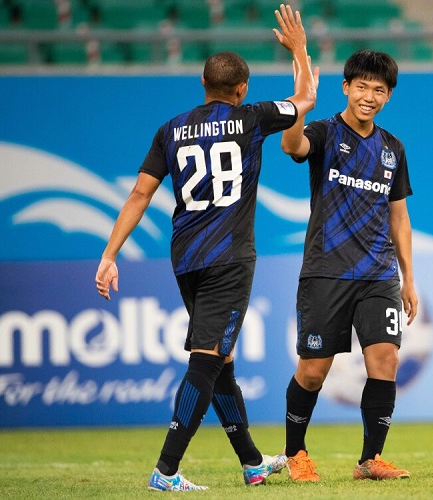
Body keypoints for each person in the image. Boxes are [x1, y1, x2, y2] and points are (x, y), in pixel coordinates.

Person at [94, 4, 317, 491]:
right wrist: (299, 49)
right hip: (229, 258)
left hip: (186, 258)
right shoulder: (251, 118)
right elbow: (305, 98)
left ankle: (252, 463)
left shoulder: (170, 129)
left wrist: (109, 255)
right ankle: (166, 470)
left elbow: (140, 195)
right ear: (242, 89)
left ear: (202, 83)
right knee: (208, 359)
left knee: (221, 361)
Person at [279, 49, 417, 482]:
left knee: (385, 361)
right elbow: (291, 145)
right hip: (327, 271)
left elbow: (399, 217)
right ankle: (295, 453)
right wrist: (301, 102)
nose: (369, 96)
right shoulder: (324, 132)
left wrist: (408, 278)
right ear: (345, 87)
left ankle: (370, 460)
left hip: (379, 274)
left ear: (389, 95)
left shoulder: (393, 148)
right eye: (362, 87)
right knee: (313, 371)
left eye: (379, 90)